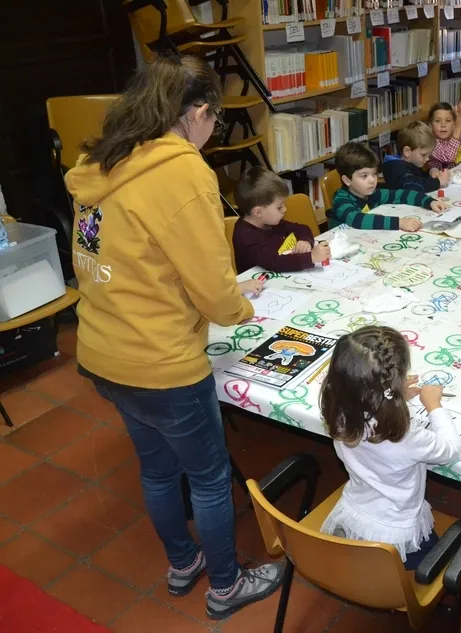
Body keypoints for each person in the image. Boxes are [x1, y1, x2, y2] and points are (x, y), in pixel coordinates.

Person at [64, 55, 284, 620]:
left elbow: (111, 259)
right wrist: (239, 308)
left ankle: (184, 562)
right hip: (162, 361)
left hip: (104, 351)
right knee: (209, 478)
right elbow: (215, 291)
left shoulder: (100, 161)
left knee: (157, 469)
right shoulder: (181, 172)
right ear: (199, 112)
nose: (212, 135)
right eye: (213, 120)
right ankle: (228, 585)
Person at [319, 326, 461, 569]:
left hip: (357, 511)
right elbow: (451, 450)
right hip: (398, 533)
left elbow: (367, 407)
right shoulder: (404, 434)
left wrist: (391, 397)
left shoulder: (340, 413)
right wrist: (434, 406)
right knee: (440, 557)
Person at [328, 141, 449, 232]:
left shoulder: (372, 193)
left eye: (374, 174)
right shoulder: (341, 200)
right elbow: (358, 220)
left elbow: (402, 194)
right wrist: (399, 222)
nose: (372, 180)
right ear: (347, 180)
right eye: (364, 176)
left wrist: (429, 202)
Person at [231, 166, 330, 274]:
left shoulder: (269, 221)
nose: (284, 209)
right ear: (258, 212)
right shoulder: (245, 236)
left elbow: (302, 229)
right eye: (279, 207)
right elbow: (275, 262)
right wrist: (310, 257)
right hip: (259, 285)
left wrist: (304, 241)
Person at [380, 121, 446, 193]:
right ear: (407, 151)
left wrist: (431, 171)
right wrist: (438, 182)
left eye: (429, 155)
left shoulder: (412, 163)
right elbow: (414, 186)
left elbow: (419, 177)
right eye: (423, 155)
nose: (427, 159)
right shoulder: (397, 169)